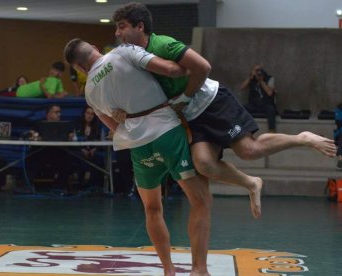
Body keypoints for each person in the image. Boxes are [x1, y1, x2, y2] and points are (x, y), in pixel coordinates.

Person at [112, 1, 336, 218]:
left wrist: (186, 95)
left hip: (212, 102)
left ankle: (302, 138)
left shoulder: (163, 45)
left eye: (122, 27)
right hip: (190, 117)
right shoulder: (133, 59)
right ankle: (251, 183)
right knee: (204, 164)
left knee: (249, 150)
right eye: (116, 28)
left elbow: (203, 67)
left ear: (139, 26)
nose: (117, 33)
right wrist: (122, 112)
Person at [64, 39, 213, 276]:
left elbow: (114, 126)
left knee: (152, 209)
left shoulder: (90, 93)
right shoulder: (123, 52)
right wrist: (192, 70)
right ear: (95, 46)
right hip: (167, 131)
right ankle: (200, 269)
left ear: (80, 69)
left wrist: (130, 117)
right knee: (200, 201)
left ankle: (168, 270)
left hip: (139, 145)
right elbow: (170, 70)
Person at [27, 104, 73, 194]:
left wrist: (70, 136)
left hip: (59, 153)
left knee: (67, 161)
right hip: (41, 153)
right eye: (56, 112)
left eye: (60, 112)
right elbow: (32, 136)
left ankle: (59, 188)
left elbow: (71, 137)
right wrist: (35, 136)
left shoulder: (65, 125)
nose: (59, 114)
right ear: (48, 114)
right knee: (31, 159)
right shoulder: (38, 124)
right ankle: (28, 186)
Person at [240, 64, 277, 132]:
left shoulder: (269, 78)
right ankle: (241, 131)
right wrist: (250, 77)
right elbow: (241, 87)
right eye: (256, 70)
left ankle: (272, 131)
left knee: (271, 109)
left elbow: (270, 93)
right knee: (241, 108)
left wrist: (261, 81)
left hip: (265, 105)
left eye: (259, 70)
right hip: (254, 105)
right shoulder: (252, 79)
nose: (258, 72)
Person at [72, 106, 102, 186]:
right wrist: (82, 149)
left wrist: (94, 149)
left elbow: (100, 141)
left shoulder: (97, 126)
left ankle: (93, 185)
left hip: (92, 151)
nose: (89, 116)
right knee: (78, 155)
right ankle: (83, 178)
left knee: (99, 158)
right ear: (84, 114)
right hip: (80, 150)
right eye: (88, 113)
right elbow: (74, 140)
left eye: (92, 114)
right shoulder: (77, 125)